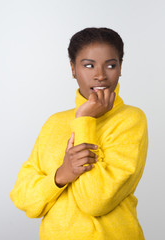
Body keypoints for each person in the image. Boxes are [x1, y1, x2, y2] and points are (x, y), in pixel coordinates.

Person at [10, 27, 148, 240]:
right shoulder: (54, 122)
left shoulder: (130, 119)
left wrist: (85, 120)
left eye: (111, 65)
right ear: (73, 69)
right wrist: (61, 175)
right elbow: (23, 197)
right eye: (89, 65)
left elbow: (95, 201)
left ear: (120, 68)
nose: (100, 75)